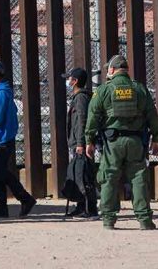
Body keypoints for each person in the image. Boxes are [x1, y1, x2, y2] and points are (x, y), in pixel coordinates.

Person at [85, 54, 158, 231]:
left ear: (111, 70)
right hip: (135, 141)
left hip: (112, 143)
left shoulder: (104, 90)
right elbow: (153, 116)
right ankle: (144, 220)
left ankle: (109, 220)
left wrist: (89, 140)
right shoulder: (140, 89)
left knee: (109, 178)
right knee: (139, 178)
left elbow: (93, 117)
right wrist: (156, 138)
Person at [0, 59, 37, 218]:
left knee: (1, 172)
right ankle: (1, 206)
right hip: (1, 137)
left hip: (1, 138)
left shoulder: (1, 93)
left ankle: (24, 198)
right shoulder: (2, 91)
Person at [62, 67, 97, 218]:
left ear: (75, 81)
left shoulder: (81, 98)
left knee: (84, 176)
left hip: (79, 143)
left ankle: (90, 209)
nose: (67, 81)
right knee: (77, 174)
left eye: (69, 78)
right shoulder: (78, 97)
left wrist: (80, 143)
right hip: (76, 142)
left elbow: (82, 121)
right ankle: (81, 206)